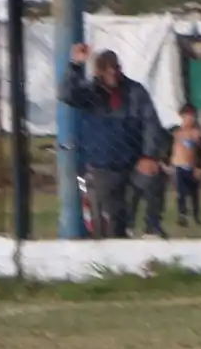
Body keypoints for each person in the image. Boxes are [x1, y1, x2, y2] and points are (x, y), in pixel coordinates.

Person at [61, 43, 167, 239]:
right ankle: (115, 240)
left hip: (133, 164)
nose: (112, 72)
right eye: (107, 68)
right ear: (99, 72)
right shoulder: (90, 93)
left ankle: (152, 227)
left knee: (155, 178)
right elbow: (67, 95)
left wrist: (149, 155)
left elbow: (151, 123)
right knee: (109, 226)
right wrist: (75, 64)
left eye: (116, 67)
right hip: (102, 169)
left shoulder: (135, 92)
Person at [170, 103, 201, 228]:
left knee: (194, 193)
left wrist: (200, 166)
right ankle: (182, 215)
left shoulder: (197, 134)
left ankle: (196, 216)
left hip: (192, 166)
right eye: (186, 117)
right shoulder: (176, 132)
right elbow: (170, 149)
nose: (189, 119)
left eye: (191, 116)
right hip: (179, 166)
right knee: (181, 193)